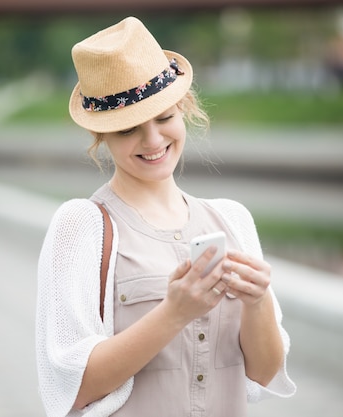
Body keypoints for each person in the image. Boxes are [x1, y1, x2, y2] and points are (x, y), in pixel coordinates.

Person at [36, 16, 296, 417]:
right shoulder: (82, 225)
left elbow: (264, 374)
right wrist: (174, 313)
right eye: (129, 130)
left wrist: (258, 301)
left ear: (184, 109)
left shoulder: (232, 219)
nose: (154, 141)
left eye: (164, 118)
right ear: (101, 136)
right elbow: (73, 387)